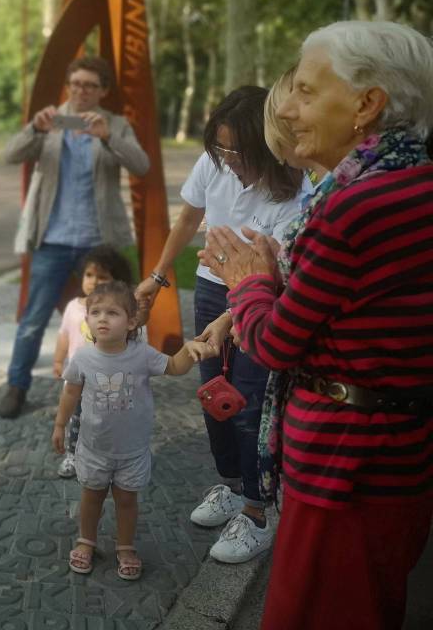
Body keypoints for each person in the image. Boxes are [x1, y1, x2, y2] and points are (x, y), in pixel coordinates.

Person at [200, 20, 433, 630]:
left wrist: (248, 280)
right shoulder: (406, 181)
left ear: (366, 105)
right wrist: (280, 276)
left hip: (344, 466)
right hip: (395, 459)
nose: (291, 109)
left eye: (305, 91)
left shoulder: (354, 204)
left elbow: (275, 342)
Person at [135, 86, 305, 564]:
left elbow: (272, 273)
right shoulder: (214, 163)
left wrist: (229, 319)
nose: (226, 160)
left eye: (236, 151)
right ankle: (233, 486)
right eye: (221, 149)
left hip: (259, 297)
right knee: (215, 394)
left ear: (266, 146)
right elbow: (189, 217)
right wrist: (157, 276)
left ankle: (258, 510)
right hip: (213, 285)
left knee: (249, 402)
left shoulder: (295, 193)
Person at [0, 56, 150, 419]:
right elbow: (11, 154)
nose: (81, 91)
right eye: (76, 83)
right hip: (52, 238)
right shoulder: (50, 121)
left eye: (90, 85)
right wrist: (35, 129)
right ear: (69, 85)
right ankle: (16, 386)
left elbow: (141, 166)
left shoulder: (114, 124)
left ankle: (112, 383)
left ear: (103, 91)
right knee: (34, 317)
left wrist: (109, 137)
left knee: (110, 317)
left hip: (99, 241)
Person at [52, 281, 216, 580]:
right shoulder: (83, 358)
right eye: (96, 312)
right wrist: (60, 425)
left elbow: (174, 367)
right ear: (86, 319)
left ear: (130, 322)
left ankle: (125, 546)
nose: (102, 318)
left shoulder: (142, 354)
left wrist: (189, 349)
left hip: (132, 450)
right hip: (94, 448)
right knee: (92, 497)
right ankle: (85, 540)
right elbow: (70, 393)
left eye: (112, 313)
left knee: (127, 501)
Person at [53, 244, 138, 479]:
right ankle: (72, 454)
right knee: (77, 418)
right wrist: (59, 360)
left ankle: (113, 455)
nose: (93, 281)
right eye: (89, 275)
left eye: (102, 277)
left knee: (109, 419)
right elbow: (64, 335)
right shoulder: (73, 307)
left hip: (108, 379)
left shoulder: (118, 312)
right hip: (78, 379)